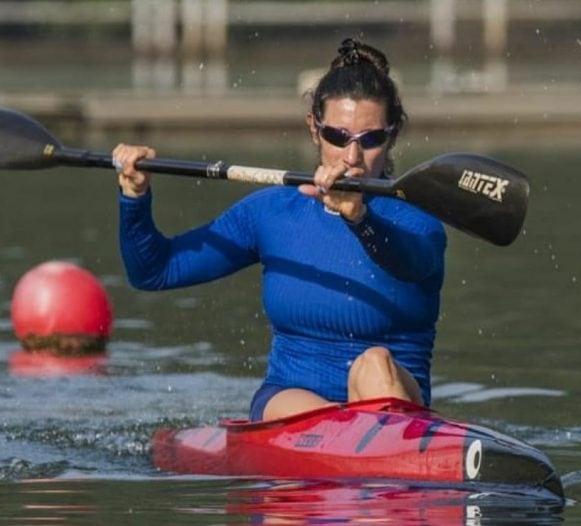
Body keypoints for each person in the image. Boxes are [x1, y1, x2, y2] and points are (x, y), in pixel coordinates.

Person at [113, 38, 446, 422]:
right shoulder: (271, 213)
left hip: (393, 396)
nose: (352, 158)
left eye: (371, 140)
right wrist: (134, 197)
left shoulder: (417, 218)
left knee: (373, 363)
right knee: (312, 404)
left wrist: (360, 219)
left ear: (394, 134)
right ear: (313, 128)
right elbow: (155, 272)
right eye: (337, 137)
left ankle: (379, 444)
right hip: (293, 402)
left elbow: (407, 263)